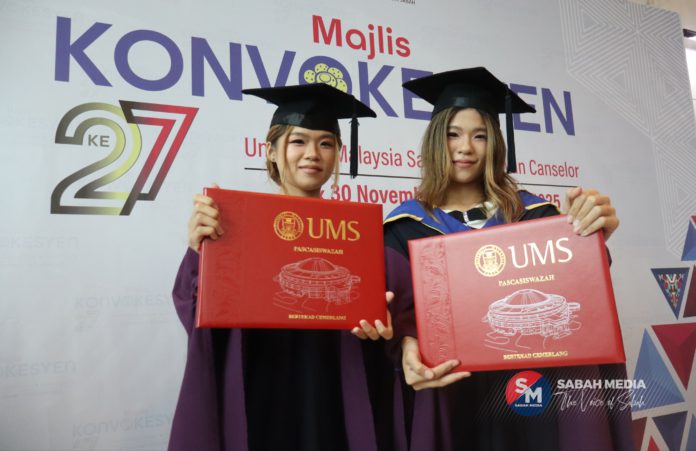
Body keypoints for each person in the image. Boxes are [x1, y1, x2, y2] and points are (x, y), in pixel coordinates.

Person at [384, 67, 632, 451]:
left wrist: (589, 237)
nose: (465, 148)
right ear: (434, 142)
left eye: (480, 135)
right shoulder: (402, 228)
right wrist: (406, 344)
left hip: (535, 392)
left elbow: (581, 293)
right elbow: (400, 318)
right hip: (453, 395)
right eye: (452, 134)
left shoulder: (536, 217)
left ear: (497, 144)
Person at [168, 83, 394, 451]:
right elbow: (196, 313)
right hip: (262, 387)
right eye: (298, 141)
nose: (313, 154)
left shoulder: (360, 237)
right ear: (271, 152)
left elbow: (390, 329)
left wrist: (383, 330)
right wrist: (201, 253)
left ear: (338, 154)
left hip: (332, 393)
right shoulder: (237, 227)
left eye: (326, 143)